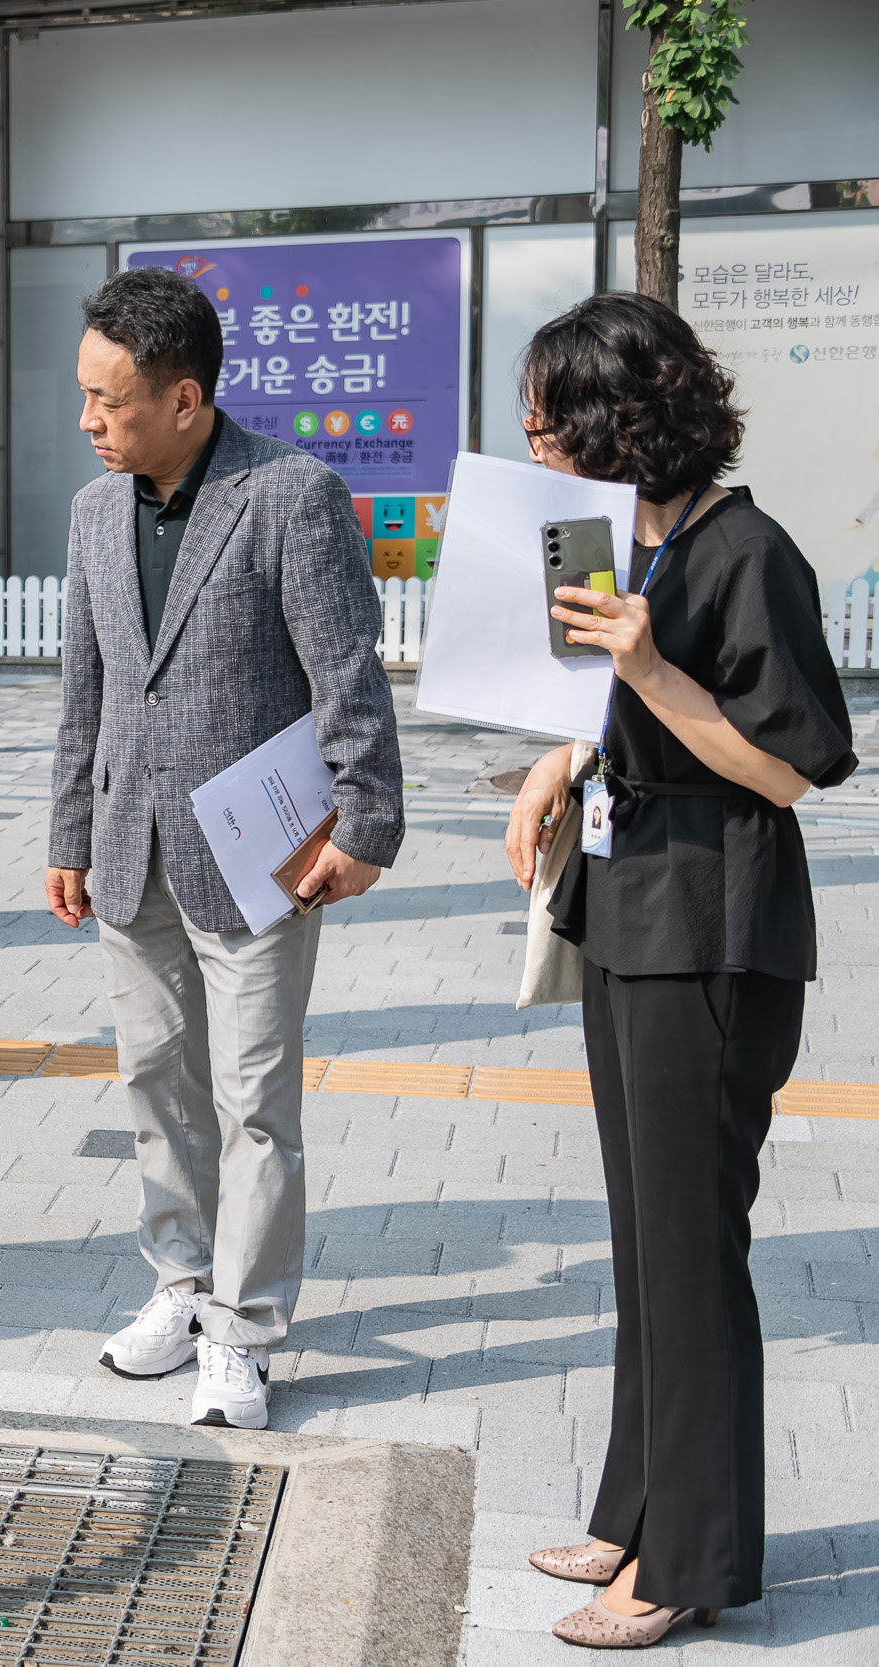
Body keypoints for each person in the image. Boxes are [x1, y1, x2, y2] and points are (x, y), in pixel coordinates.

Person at [502, 294, 857, 1651]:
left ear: (613, 419)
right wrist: (552, 765)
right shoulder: (617, 539)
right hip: (628, 912)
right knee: (646, 1236)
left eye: (547, 420)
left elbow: (793, 764)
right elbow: (597, 704)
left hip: (714, 929)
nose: (533, 443)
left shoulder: (748, 551)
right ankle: (633, 1506)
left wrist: (651, 673)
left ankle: (690, 1558)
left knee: (695, 1248)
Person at [44, 266, 403, 1432]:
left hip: (256, 856)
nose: (88, 420)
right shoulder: (96, 511)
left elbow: (345, 670)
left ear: (185, 398)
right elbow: (82, 688)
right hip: (127, 848)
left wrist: (365, 827)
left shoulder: (289, 493)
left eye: (110, 400)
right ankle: (181, 1282)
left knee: (253, 1100)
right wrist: (67, 833)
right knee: (155, 1078)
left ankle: (244, 1333)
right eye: (85, 395)